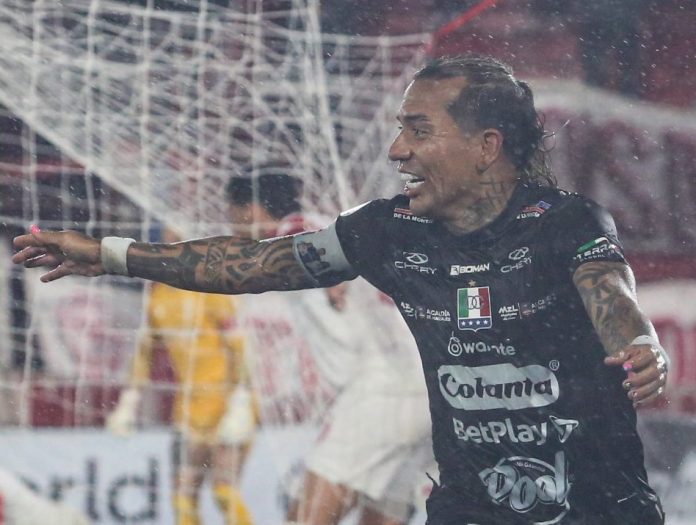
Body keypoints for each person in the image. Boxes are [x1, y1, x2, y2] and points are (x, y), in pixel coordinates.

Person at [13, 54, 669, 524]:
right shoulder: (385, 231)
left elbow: (610, 291)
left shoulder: (565, 223)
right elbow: (249, 264)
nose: (396, 150)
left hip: (595, 506)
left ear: (486, 146)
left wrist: (639, 344)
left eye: (419, 130)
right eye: (400, 128)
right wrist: (112, 254)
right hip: (469, 504)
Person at [225, 174, 434, 525]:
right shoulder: (338, 228)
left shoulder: (295, 230)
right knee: (382, 513)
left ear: (253, 210)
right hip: (422, 384)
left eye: (232, 214)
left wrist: (332, 279)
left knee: (305, 519)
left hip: (384, 389)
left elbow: (306, 235)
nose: (231, 225)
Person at [106, 227, 255, 525]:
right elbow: (146, 351)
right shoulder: (159, 297)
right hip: (189, 407)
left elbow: (241, 347)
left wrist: (242, 398)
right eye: (168, 243)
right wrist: (130, 400)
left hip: (227, 403)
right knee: (182, 499)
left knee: (224, 492)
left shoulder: (212, 288)